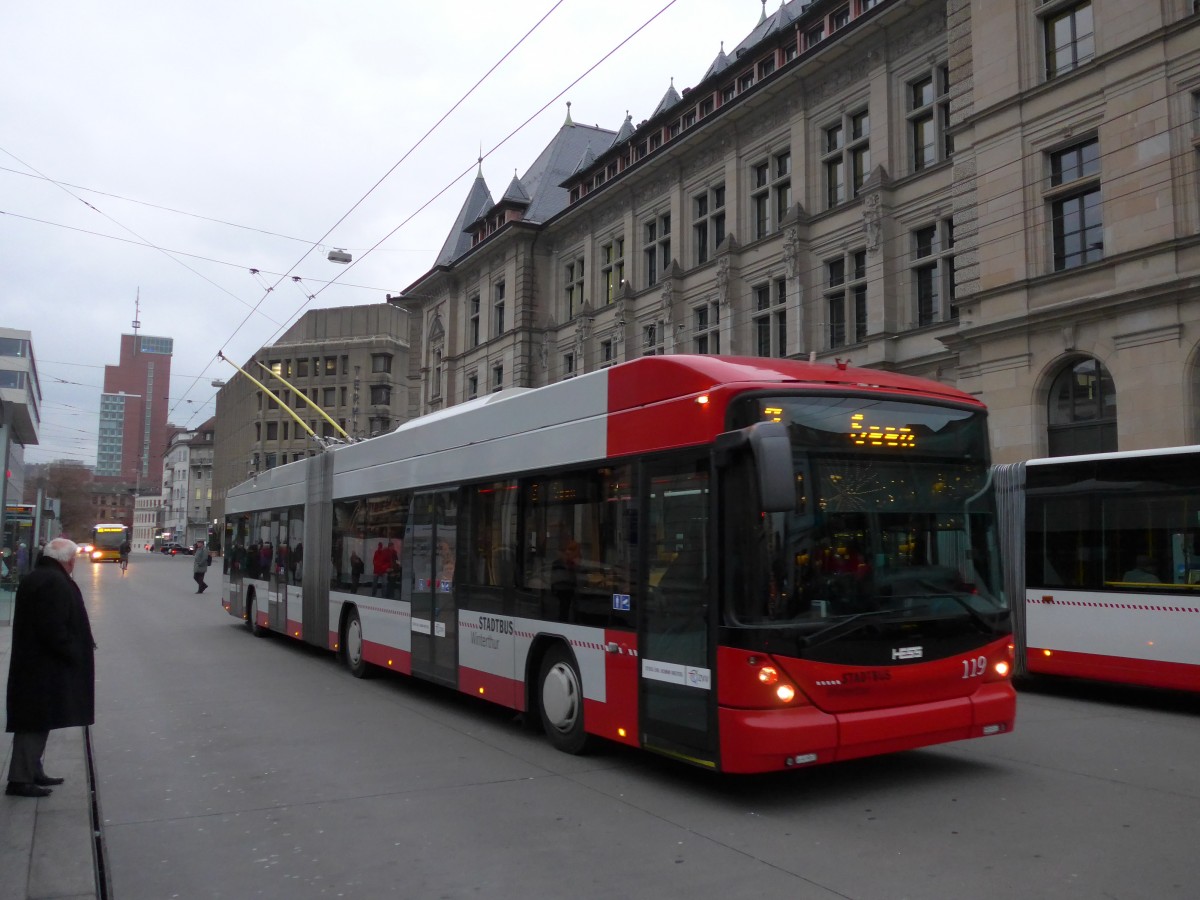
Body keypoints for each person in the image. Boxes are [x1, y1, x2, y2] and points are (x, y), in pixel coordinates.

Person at [5, 537, 94, 798]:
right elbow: (53, 627)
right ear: (69, 560)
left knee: (38, 718)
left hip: (35, 663)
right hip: (41, 666)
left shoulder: (40, 576)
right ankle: (20, 779)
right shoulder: (53, 582)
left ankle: (33, 770)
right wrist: (74, 652)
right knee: (33, 721)